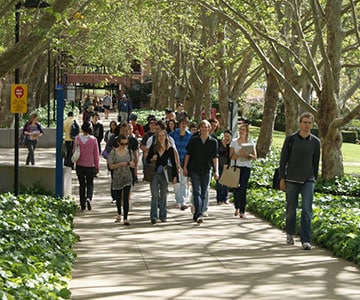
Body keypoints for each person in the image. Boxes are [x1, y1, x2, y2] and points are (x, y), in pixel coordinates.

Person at [279, 112, 320, 250]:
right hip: (291, 179)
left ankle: (305, 240)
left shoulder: (315, 142)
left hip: (308, 180)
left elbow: (316, 162)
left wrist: (314, 178)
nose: (307, 125)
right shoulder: (290, 139)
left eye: (309, 122)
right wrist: (282, 178)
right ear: (300, 123)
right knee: (291, 210)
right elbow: (283, 160)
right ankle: (290, 233)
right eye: (305, 122)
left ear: (312, 124)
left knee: (307, 210)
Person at [183, 120, 219, 224]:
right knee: (196, 191)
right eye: (202, 127)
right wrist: (185, 167)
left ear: (209, 129)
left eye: (206, 127)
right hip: (194, 169)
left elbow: (215, 157)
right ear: (200, 128)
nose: (204, 129)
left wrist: (216, 171)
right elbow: (188, 154)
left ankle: (199, 210)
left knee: (203, 192)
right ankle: (198, 215)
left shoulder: (213, 142)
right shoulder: (194, 140)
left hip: (206, 170)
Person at [146, 129, 178, 224]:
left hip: (165, 174)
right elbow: (147, 160)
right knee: (155, 195)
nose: (161, 137)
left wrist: (175, 176)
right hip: (155, 173)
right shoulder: (154, 147)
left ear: (166, 137)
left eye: (162, 135)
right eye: (159, 136)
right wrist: (152, 158)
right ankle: (153, 216)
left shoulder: (170, 149)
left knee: (163, 196)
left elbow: (174, 163)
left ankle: (163, 215)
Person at [229, 123, 257, 219]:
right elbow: (231, 156)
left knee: (243, 188)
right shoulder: (234, 142)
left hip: (246, 167)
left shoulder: (250, 143)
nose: (241, 131)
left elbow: (254, 157)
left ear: (247, 132)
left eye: (243, 130)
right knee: (236, 187)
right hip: (236, 166)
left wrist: (247, 155)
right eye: (240, 129)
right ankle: (236, 206)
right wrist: (239, 155)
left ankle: (242, 210)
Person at [107, 134, 135, 225]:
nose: (124, 146)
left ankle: (126, 218)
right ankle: (119, 213)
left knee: (126, 197)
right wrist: (120, 164)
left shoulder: (129, 152)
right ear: (118, 143)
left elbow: (133, 163)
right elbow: (110, 166)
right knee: (118, 197)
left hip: (127, 176)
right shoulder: (113, 153)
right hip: (117, 177)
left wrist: (130, 164)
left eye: (126, 144)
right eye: (122, 144)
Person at [74, 121, 100, 212]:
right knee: (90, 183)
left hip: (79, 165)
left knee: (82, 185)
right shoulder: (93, 140)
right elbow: (96, 154)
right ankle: (89, 197)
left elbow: (74, 151)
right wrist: (97, 166)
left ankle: (82, 205)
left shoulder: (77, 138)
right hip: (90, 165)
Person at [170, 117, 192, 210]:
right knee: (176, 182)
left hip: (185, 162)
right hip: (174, 162)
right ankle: (178, 200)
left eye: (185, 124)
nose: (184, 125)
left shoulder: (190, 136)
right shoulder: (172, 134)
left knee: (183, 181)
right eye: (182, 123)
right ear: (179, 124)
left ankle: (183, 201)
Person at [216, 129, 232, 205]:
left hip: (227, 166)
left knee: (226, 183)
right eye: (225, 136)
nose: (226, 138)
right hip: (219, 165)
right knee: (219, 182)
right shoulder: (219, 143)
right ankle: (219, 198)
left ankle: (225, 198)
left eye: (228, 136)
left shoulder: (231, 145)